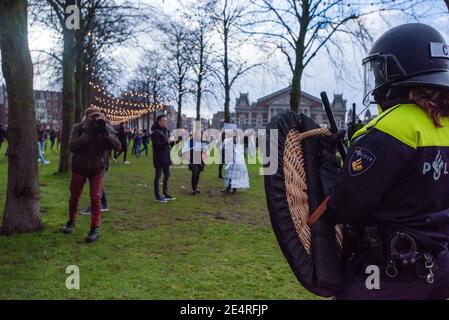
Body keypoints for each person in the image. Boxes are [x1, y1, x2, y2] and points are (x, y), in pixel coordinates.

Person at [324, 23, 449, 300]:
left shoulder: (388, 129)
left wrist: (326, 163)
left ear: (396, 72)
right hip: (440, 269)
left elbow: (345, 206)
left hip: (386, 276)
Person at [61, 107, 121, 242]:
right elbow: (72, 146)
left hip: (97, 168)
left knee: (95, 198)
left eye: (97, 116)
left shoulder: (105, 128)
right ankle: (71, 221)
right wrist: (87, 134)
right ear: (86, 117)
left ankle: (95, 228)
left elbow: (118, 146)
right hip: (79, 167)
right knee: (74, 196)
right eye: (92, 116)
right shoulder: (78, 128)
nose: (95, 119)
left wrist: (106, 134)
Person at [151, 115, 175, 203]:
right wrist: (167, 141)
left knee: (167, 174)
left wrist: (172, 142)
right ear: (159, 121)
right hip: (159, 157)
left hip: (166, 157)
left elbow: (167, 144)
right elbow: (157, 145)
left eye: (166, 120)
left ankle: (165, 193)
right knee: (158, 176)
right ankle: (157, 195)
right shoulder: (155, 132)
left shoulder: (165, 131)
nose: (165, 122)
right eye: (164, 120)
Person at [183, 130, 207, 195]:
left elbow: (205, 150)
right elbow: (186, 149)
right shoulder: (191, 141)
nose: (200, 136)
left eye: (201, 134)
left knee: (198, 175)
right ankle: (193, 189)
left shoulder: (203, 142)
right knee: (194, 174)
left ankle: (195, 188)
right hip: (193, 160)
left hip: (200, 160)